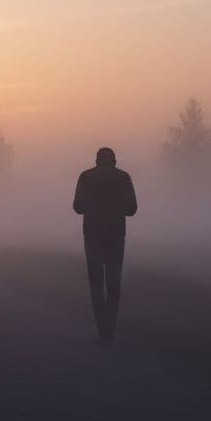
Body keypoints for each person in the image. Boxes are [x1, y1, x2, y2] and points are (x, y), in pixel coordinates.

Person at [72, 147, 138, 345]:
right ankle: (110, 328)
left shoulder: (86, 177)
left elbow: (77, 207)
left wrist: (94, 206)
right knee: (113, 281)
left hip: (92, 234)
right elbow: (132, 209)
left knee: (96, 282)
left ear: (96, 160)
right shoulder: (123, 178)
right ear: (114, 160)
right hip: (116, 234)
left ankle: (101, 328)